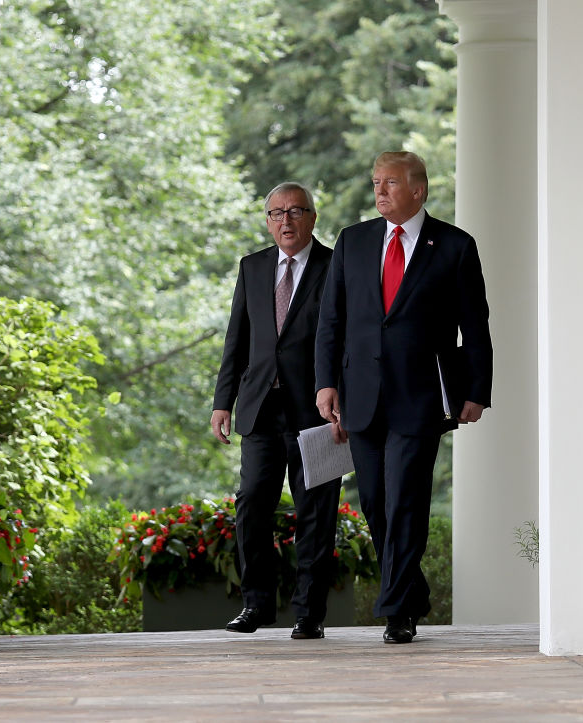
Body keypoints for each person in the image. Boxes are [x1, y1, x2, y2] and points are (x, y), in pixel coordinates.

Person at [314, 151, 492, 644]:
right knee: (375, 502)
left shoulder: (455, 246)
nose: (380, 191)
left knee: (406, 500)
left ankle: (396, 611)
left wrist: (476, 390)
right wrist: (325, 384)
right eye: (376, 183)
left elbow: (475, 325)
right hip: (362, 396)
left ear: (418, 190)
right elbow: (331, 321)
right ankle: (411, 593)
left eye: (390, 183)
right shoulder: (353, 242)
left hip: (421, 396)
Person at [211, 182, 342, 640]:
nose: (285, 221)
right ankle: (257, 605)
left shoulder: (335, 265)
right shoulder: (253, 267)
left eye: (295, 211)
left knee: (316, 513)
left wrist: (342, 394)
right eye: (276, 213)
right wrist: (222, 401)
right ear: (267, 220)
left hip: (318, 411)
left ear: (312, 217)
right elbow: (237, 339)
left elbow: (346, 338)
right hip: (261, 409)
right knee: (251, 505)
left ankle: (309, 614)